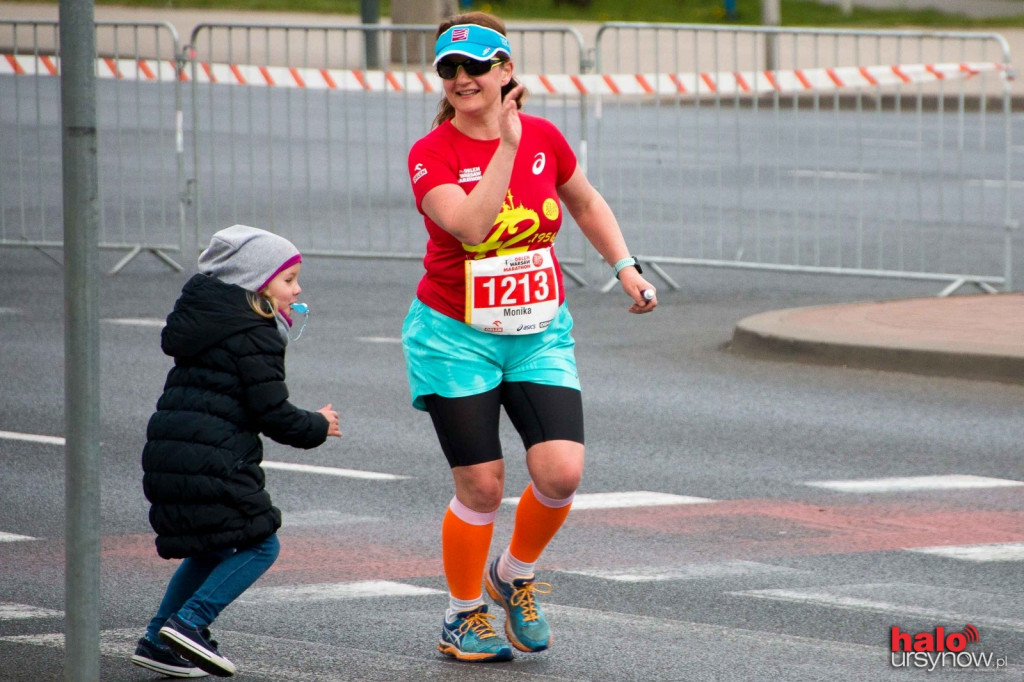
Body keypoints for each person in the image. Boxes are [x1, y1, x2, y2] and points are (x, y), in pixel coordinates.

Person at [402, 12, 656, 663]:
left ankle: (513, 574)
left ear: (505, 70)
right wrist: (505, 148)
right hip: (454, 337)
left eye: (475, 68)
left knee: (561, 472)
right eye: (449, 70)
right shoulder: (432, 154)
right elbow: (470, 228)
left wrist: (624, 267)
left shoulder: (545, 137)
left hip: (538, 330)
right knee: (482, 486)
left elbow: (585, 201)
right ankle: (462, 616)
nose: (461, 79)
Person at [131, 224, 341, 678]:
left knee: (210, 548)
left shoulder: (210, 323)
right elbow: (272, 412)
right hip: (214, 457)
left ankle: (156, 640)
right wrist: (318, 425)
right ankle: (189, 624)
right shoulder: (255, 333)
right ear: (256, 283)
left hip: (175, 450)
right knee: (260, 543)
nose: (297, 288)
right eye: (288, 280)